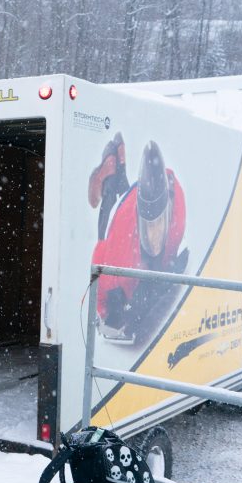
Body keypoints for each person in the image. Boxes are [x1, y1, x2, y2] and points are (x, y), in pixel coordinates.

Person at [90, 137, 188, 344]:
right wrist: (110, 312)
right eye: (148, 227)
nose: (153, 236)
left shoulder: (178, 214)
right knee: (109, 205)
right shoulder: (119, 254)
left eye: (158, 224)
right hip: (124, 216)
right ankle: (111, 167)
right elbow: (99, 280)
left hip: (143, 195)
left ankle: (118, 157)